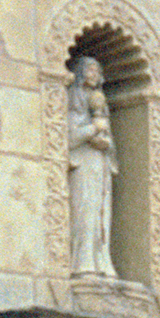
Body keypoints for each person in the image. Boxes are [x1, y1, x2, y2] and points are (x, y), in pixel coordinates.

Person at [66, 53, 116, 276]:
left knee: (100, 213)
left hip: (100, 163)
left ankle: (101, 262)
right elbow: (69, 138)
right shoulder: (72, 99)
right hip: (82, 164)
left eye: (97, 70)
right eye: (89, 69)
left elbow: (110, 144)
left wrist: (105, 141)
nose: (94, 74)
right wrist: (92, 129)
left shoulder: (100, 103)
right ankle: (83, 262)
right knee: (84, 208)